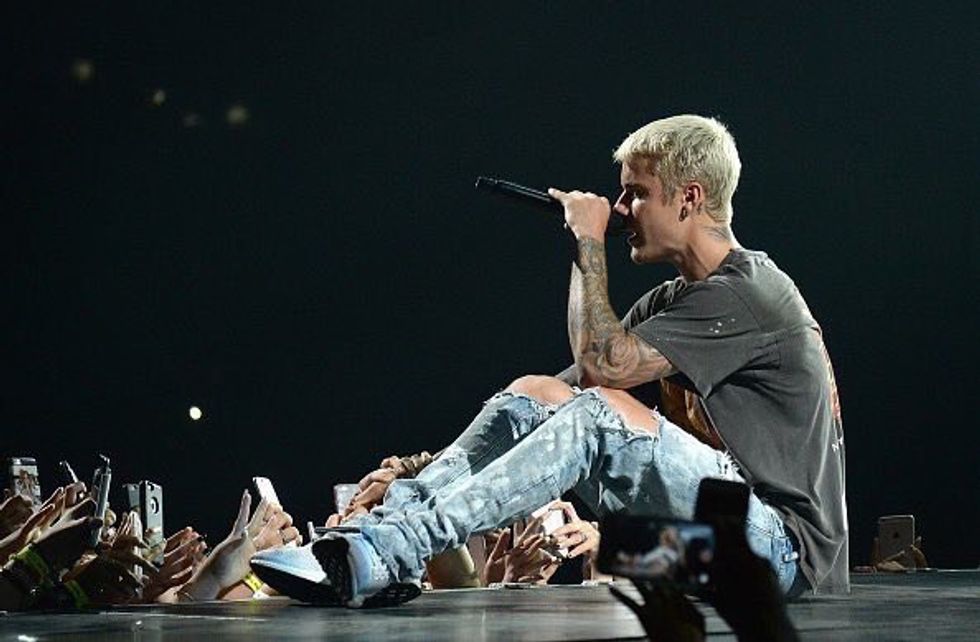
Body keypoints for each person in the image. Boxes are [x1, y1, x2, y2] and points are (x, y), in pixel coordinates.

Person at [251, 114, 849, 607]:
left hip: (780, 558)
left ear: (689, 198)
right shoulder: (677, 300)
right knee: (536, 392)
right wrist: (414, 471)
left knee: (598, 412)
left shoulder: (747, 293)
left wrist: (588, 241)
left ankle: (389, 552)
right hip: (693, 550)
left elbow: (603, 374)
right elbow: (563, 393)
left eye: (637, 193)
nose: (621, 209)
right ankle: (374, 540)